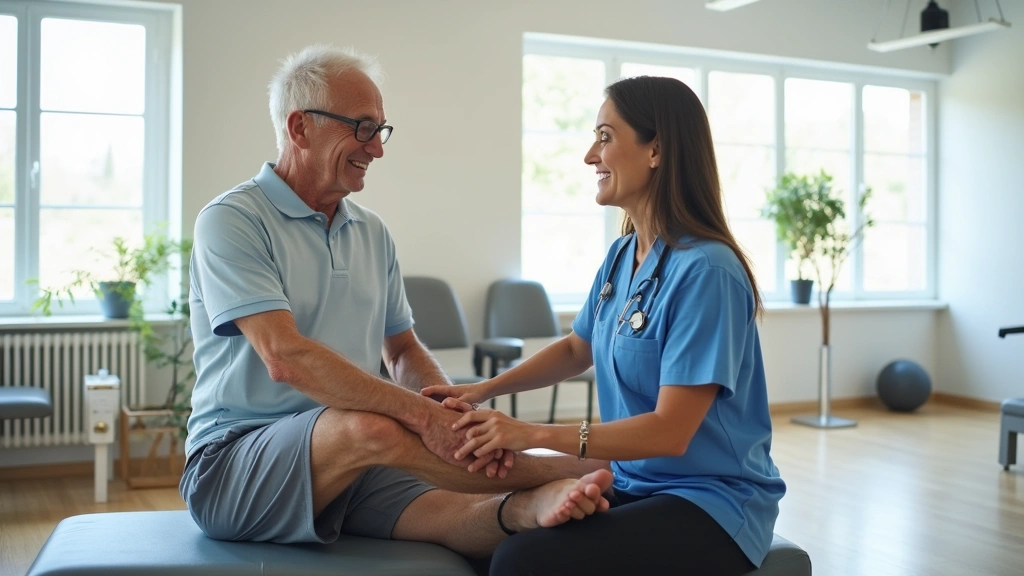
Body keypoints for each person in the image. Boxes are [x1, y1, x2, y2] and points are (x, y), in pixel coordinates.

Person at [179, 44, 614, 560]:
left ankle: (524, 507)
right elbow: (285, 357)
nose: (377, 148)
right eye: (361, 128)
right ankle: (568, 468)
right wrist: (425, 421)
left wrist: (450, 409)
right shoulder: (232, 220)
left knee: (455, 514)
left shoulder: (371, 231)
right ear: (300, 128)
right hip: (234, 466)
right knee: (369, 426)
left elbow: (402, 350)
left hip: (353, 459)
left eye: (380, 130)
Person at [423, 76, 786, 575]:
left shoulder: (708, 272)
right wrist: (481, 390)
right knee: (494, 530)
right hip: (635, 483)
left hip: (713, 502)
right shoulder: (622, 255)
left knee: (520, 562)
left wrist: (528, 432)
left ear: (656, 150)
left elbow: (671, 431)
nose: (590, 156)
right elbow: (577, 348)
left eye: (605, 137)